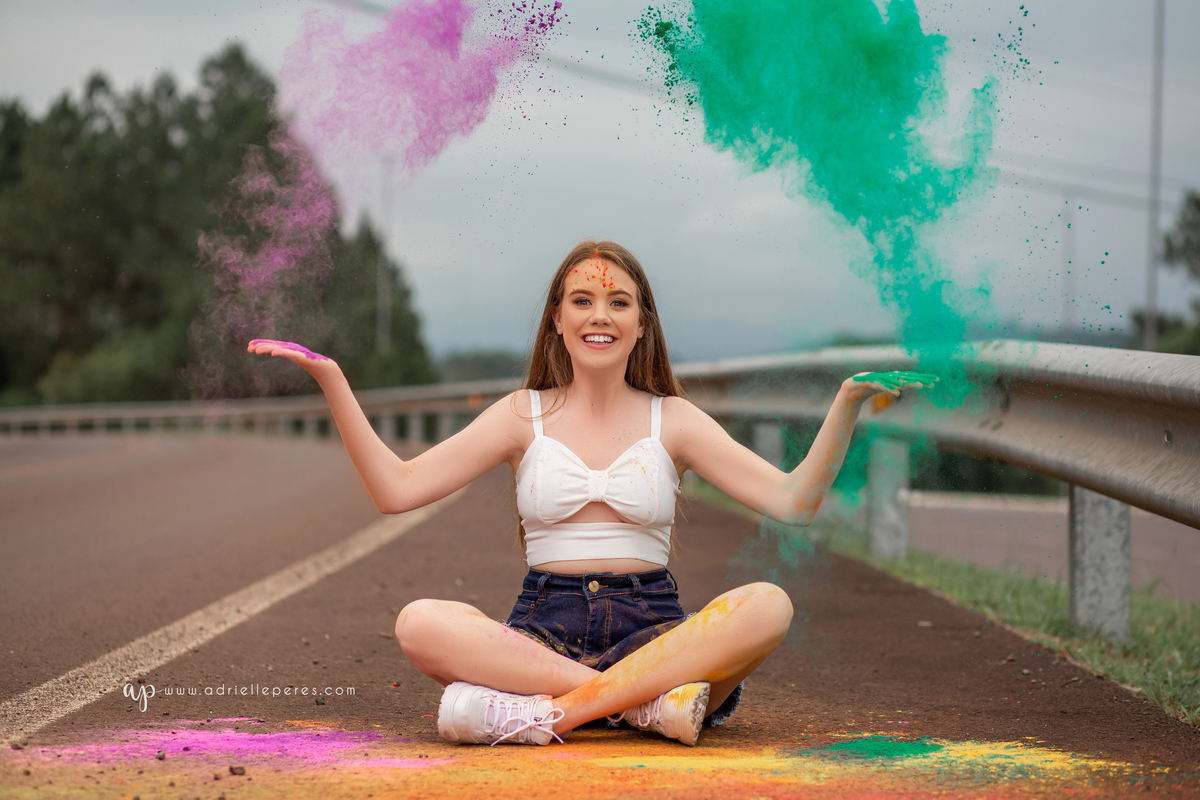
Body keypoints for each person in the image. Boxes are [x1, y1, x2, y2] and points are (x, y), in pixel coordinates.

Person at [248, 240, 936, 747]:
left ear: (642, 324)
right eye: (582, 300)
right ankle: (639, 709)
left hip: (658, 637)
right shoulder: (523, 414)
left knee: (768, 606)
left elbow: (791, 503)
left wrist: (844, 406)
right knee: (419, 622)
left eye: (617, 302)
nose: (598, 314)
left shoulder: (678, 419)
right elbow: (398, 489)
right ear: (557, 318)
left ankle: (553, 715)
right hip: (542, 633)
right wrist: (334, 382)